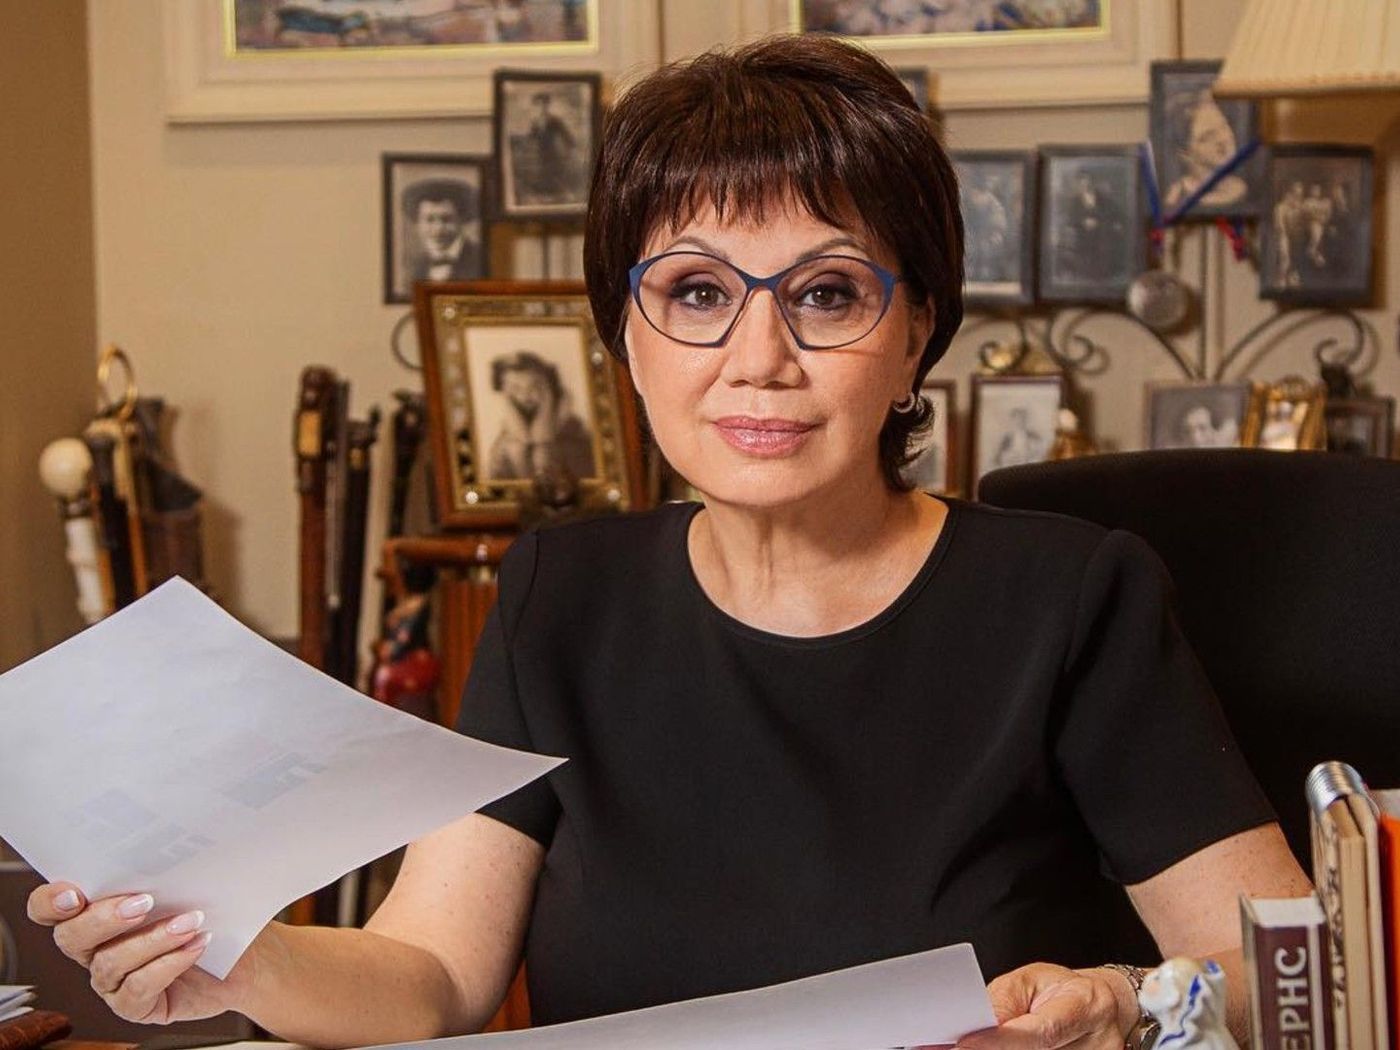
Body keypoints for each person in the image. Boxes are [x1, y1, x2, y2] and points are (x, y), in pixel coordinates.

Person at [27, 33, 1309, 1050]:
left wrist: (1122, 1002)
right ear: (625, 338)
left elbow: (1288, 963)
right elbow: (430, 975)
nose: (758, 358)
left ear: (916, 332)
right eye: (695, 291)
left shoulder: (1069, 598)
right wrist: (238, 964)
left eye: (825, 293)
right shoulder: (557, 598)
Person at [484, 351, 595, 482]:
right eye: (515, 388)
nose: (525, 395)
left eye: (535, 386)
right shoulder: (503, 442)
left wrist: (543, 435)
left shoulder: (574, 432)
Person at [1162, 89, 1247, 212]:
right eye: (1208, 136)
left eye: (1223, 126)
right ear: (1185, 153)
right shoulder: (1175, 201)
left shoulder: (1249, 188)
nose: (1222, 139)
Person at [401, 178, 481, 287]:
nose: (438, 229)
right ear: (418, 224)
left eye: (446, 220)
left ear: (461, 221)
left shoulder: (480, 259)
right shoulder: (415, 267)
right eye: (429, 220)